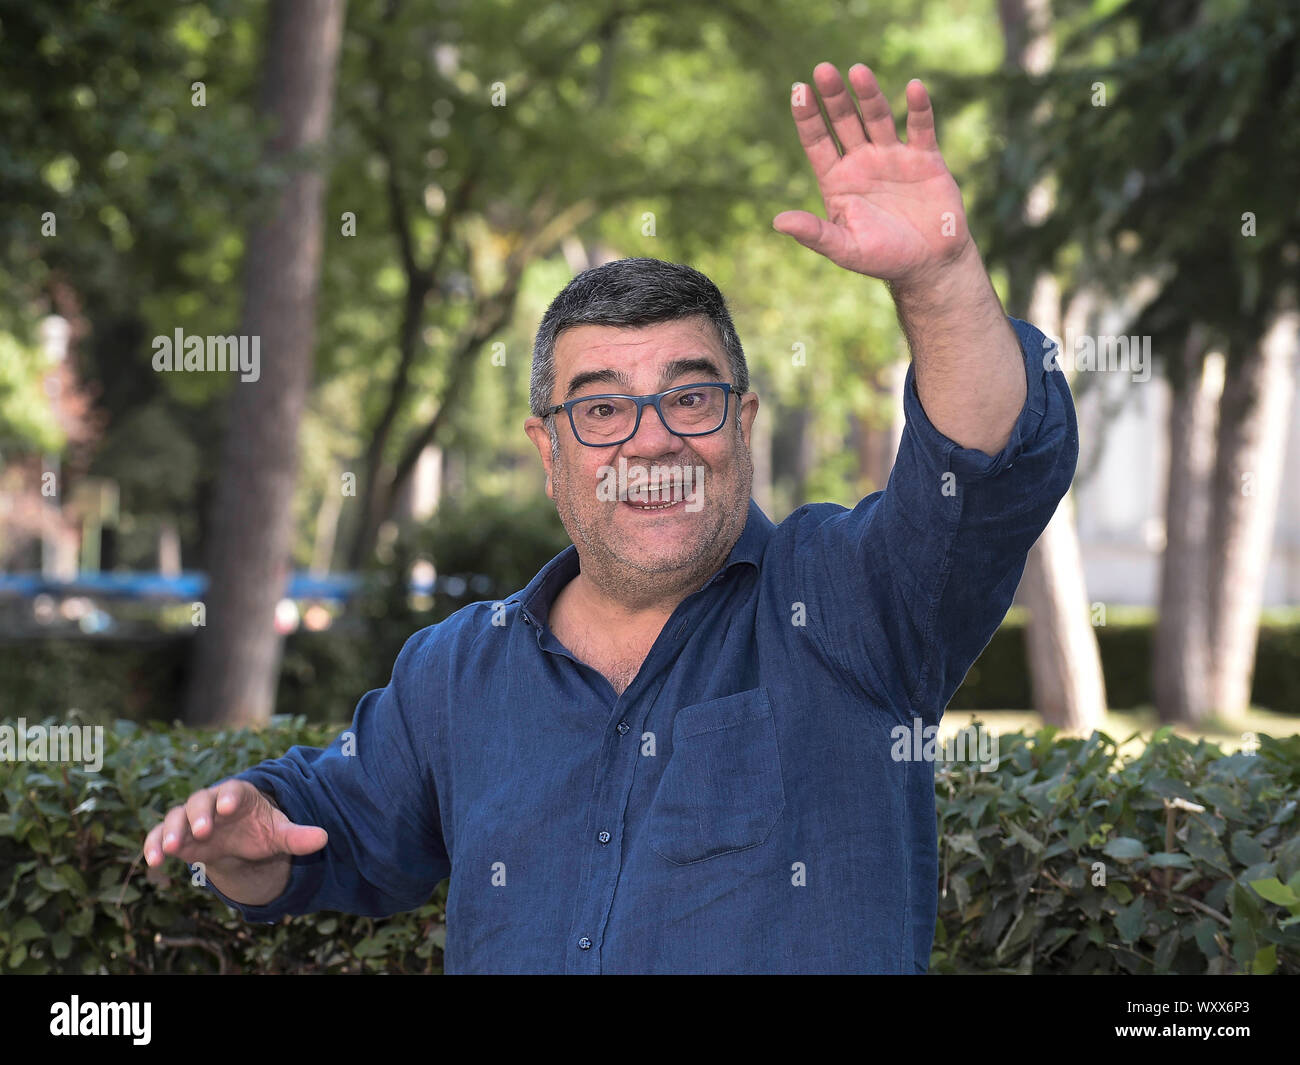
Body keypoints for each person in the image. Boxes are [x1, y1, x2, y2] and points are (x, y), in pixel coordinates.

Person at [142, 62, 1077, 973]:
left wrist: (941, 278)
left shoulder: (850, 604)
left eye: (691, 398)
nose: (651, 441)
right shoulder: (457, 672)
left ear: (742, 423)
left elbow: (982, 471)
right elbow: (333, 825)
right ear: (549, 454)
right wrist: (250, 836)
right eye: (600, 409)